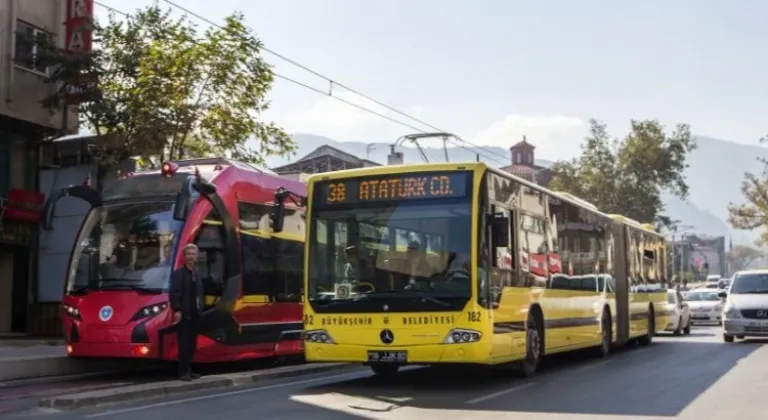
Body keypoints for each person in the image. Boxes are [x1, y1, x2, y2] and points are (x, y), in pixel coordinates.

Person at [170, 243, 204, 381]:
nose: (191, 257)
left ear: (197, 256)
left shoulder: (197, 273)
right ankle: (183, 371)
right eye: (188, 254)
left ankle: (189, 369)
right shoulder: (179, 273)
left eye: (193, 254)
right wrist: (177, 310)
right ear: (184, 256)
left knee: (192, 343)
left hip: (195, 313)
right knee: (184, 343)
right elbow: (174, 293)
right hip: (184, 313)